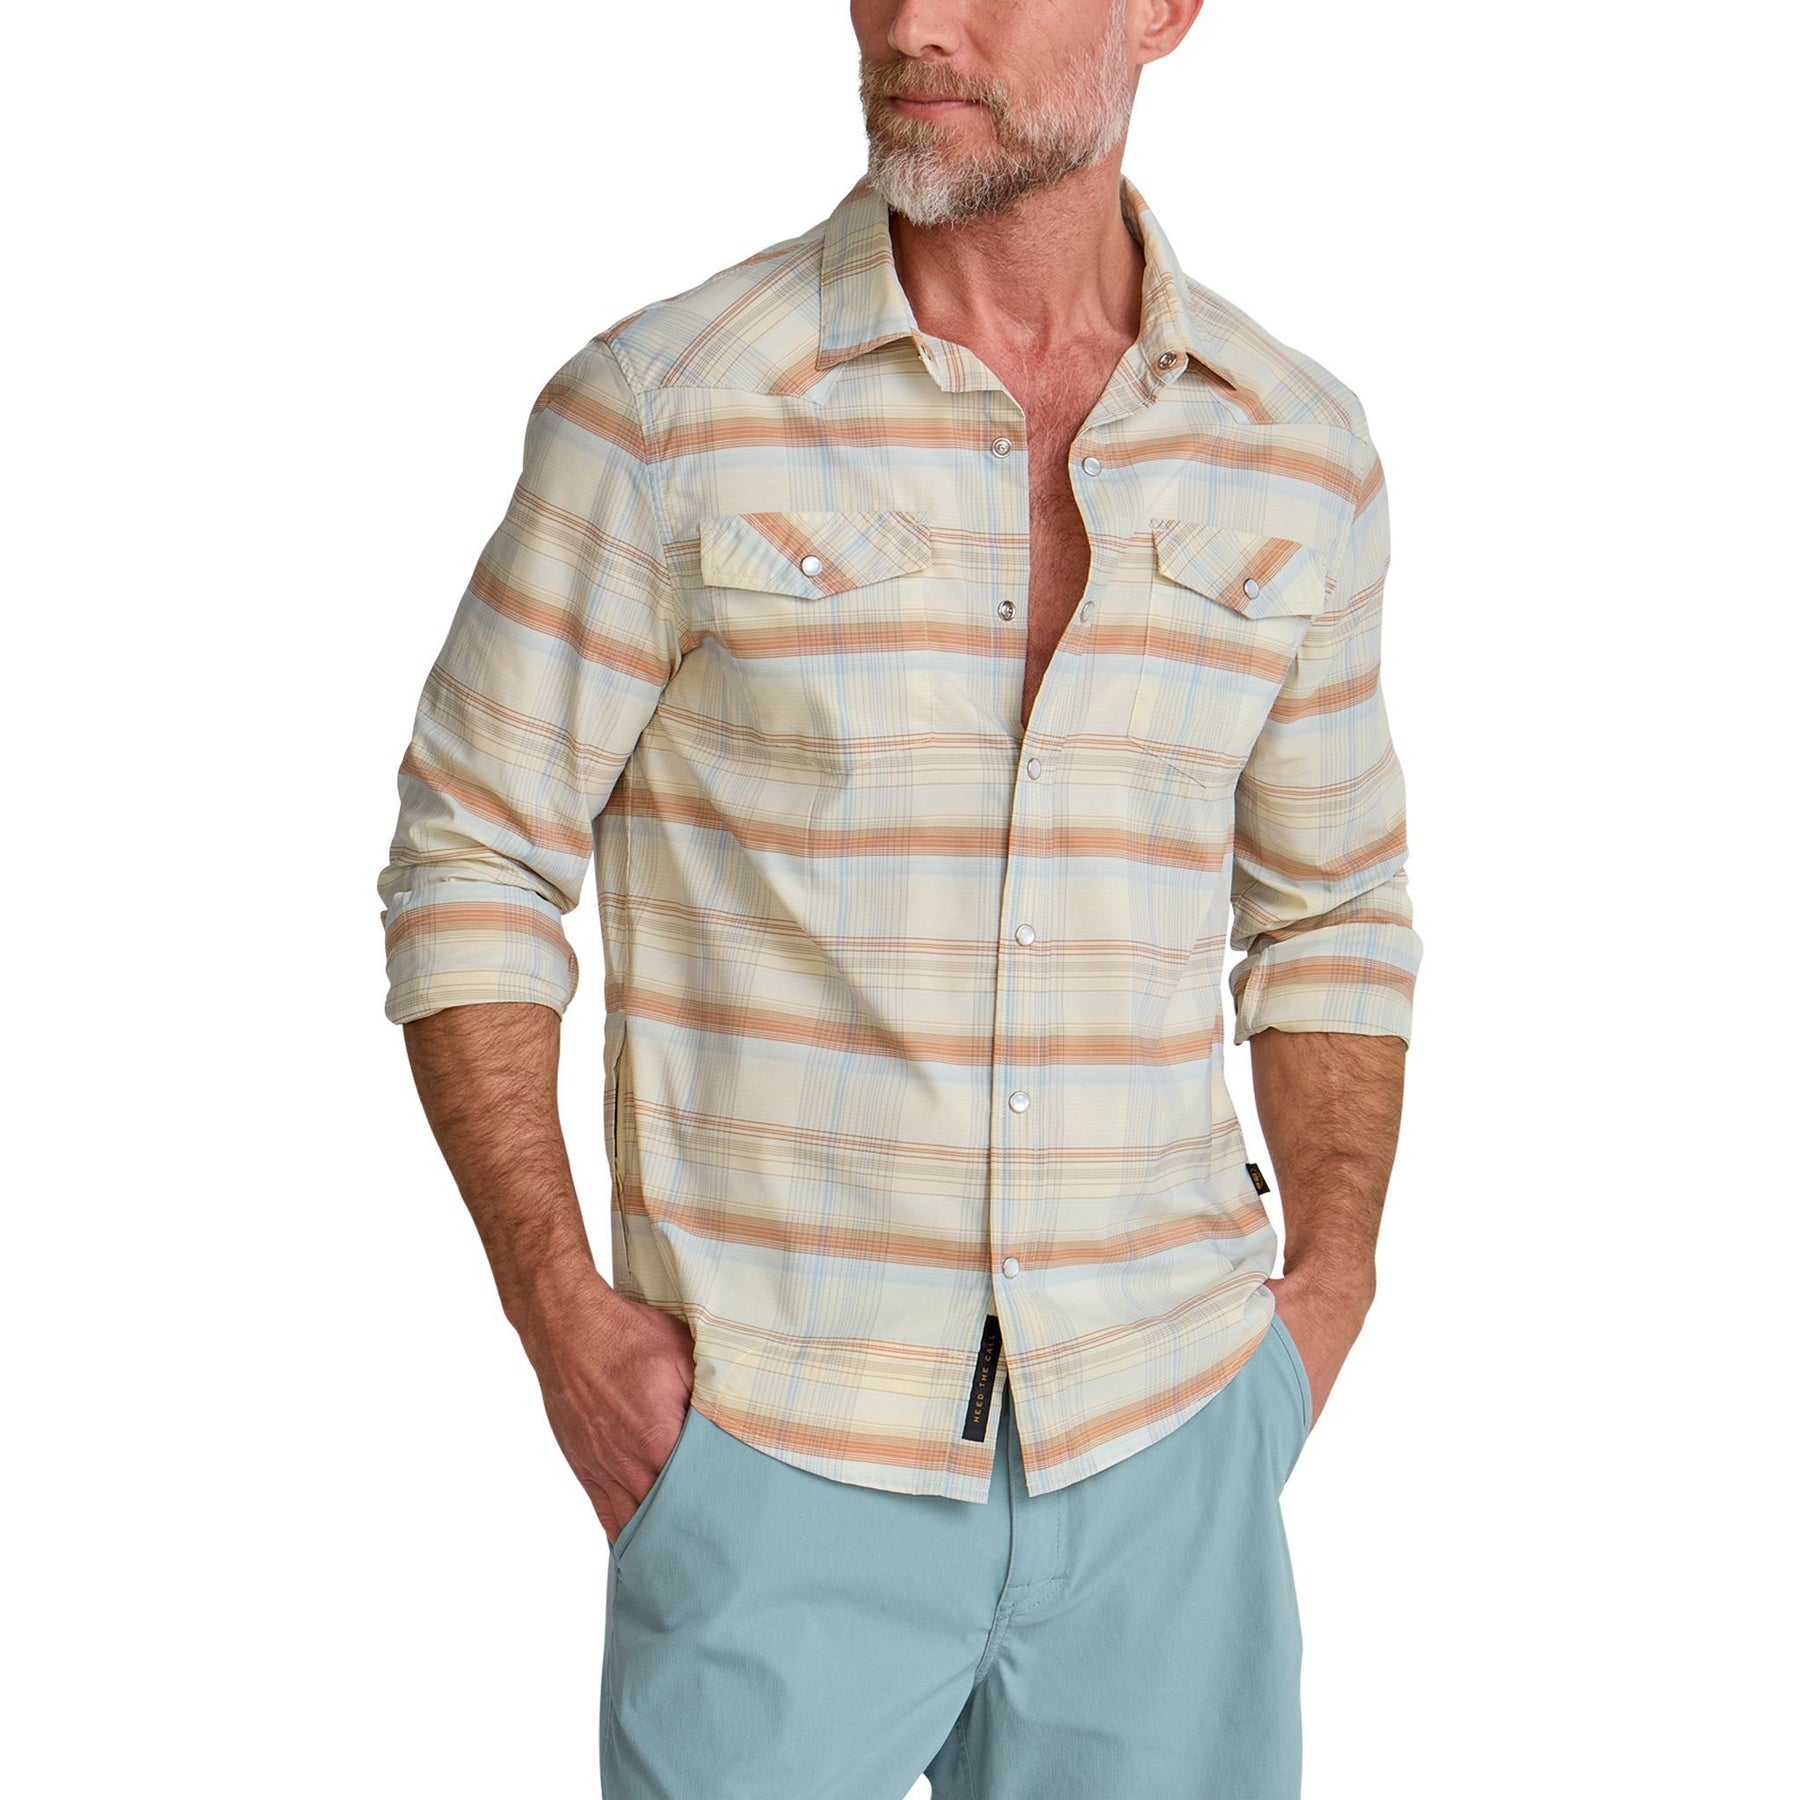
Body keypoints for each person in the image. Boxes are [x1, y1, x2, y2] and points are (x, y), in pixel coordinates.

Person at [374, 0, 1421, 1792]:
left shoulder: (1296, 450)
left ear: (1165, 10)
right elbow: (470, 853)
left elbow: (1333, 911)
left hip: (1173, 1447)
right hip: (772, 1455)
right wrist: (559, 1314)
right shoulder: (667, 410)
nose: (913, 21)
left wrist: (1324, 1300)